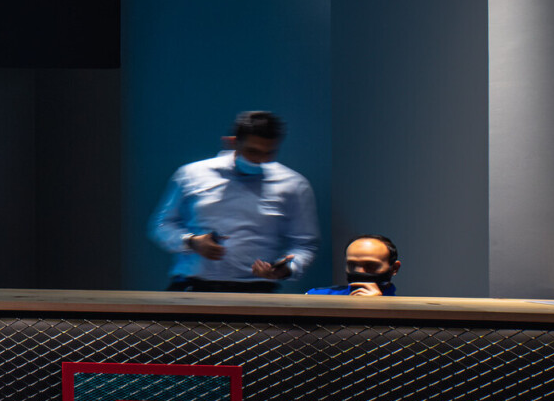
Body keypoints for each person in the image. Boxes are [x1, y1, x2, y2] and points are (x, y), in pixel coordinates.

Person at [150, 110, 319, 292]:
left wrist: (287, 268)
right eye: (252, 151)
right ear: (232, 142)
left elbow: (305, 244)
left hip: (257, 291)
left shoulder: (292, 184)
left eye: (268, 153)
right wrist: (191, 241)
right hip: (192, 287)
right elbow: (161, 225)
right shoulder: (191, 175)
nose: (259, 159)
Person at [307, 234, 401, 296]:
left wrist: (380, 309)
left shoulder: (403, 311)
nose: (359, 272)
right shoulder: (319, 296)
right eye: (352, 265)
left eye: (371, 266)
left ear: (394, 268)